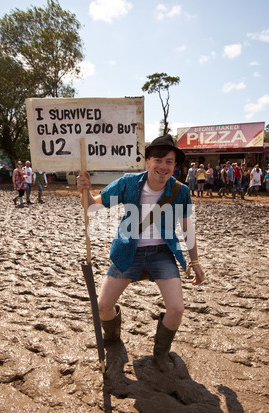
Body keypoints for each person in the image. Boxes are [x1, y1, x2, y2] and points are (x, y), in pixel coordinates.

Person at [77, 134, 205, 372]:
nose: (163, 166)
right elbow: (93, 206)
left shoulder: (180, 191)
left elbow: (188, 228)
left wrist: (194, 260)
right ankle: (113, 340)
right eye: (158, 160)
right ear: (147, 161)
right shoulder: (127, 183)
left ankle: (161, 352)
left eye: (169, 161)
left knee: (176, 309)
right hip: (129, 250)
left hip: (162, 253)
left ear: (175, 166)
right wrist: (84, 189)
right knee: (103, 306)